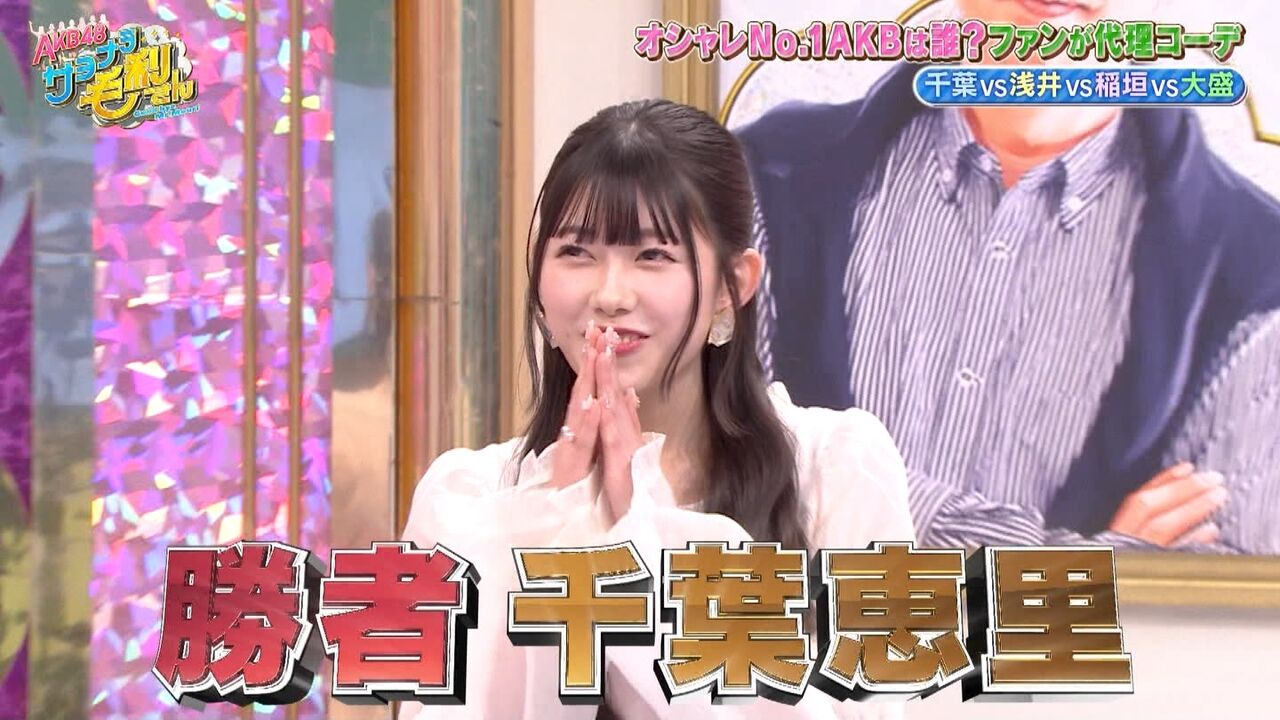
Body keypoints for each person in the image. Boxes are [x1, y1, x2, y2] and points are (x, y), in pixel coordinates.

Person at [398, 100, 914, 719]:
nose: (610, 295)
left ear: (733, 286)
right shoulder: (469, 498)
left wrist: (638, 535)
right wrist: (548, 532)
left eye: (653, 256)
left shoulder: (834, 471)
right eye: (576, 252)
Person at [737, 0, 1280, 554]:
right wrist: (1087, 559)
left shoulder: (1260, 269)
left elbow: (1229, 580)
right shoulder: (769, 175)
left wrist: (838, 491)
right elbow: (718, 464)